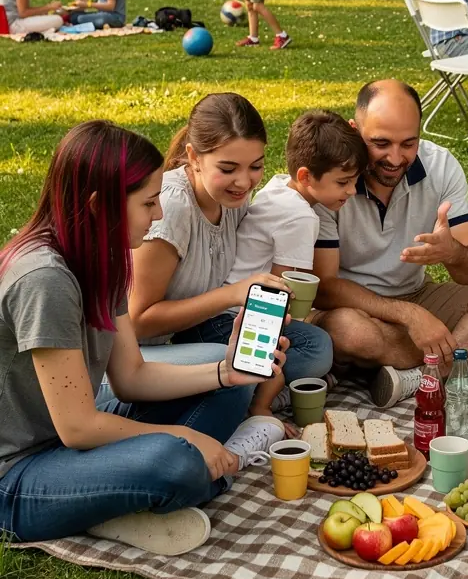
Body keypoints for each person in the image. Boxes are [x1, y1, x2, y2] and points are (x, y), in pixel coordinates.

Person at [0, 120, 288, 553]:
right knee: (174, 463)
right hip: (16, 472)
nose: (158, 215)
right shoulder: (45, 280)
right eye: (149, 203)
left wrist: (225, 372)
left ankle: (116, 498)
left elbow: (131, 377)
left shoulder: (106, 256)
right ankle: (121, 498)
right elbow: (79, 427)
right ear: (100, 206)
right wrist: (185, 437)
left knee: (229, 392)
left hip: (67, 431)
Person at [310, 80, 468, 407]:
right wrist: (409, 316)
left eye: (408, 143)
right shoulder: (332, 177)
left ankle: (421, 374)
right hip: (353, 307)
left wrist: (452, 252)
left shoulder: (440, 165)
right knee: (349, 332)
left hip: (419, 295)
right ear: (354, 130)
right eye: (380, 143)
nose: (395, 158)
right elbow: (323, 287)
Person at [129, 93, 333, 415]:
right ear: (194, 157)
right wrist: (234, 295)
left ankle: (243, 397)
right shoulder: (172, 208)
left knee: (315, 346)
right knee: (235, 367)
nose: (244, 181)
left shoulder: (233, 198)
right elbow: (137, 322)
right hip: (137, 354)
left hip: (201, 331)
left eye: (256, 166)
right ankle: (240, 405)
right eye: (228, 168)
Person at [227, 110, 367, 413]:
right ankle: (261, 403)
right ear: (305, 176)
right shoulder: (301, 217)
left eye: (354, 181)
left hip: (225, 309)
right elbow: (280, 301)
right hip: (232, 320)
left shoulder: (280, 186)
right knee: (318, 348)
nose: (352, 191)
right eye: (343, 182)